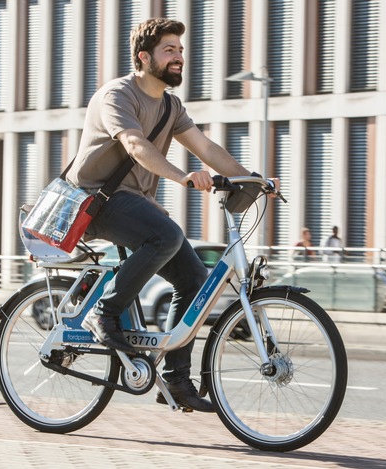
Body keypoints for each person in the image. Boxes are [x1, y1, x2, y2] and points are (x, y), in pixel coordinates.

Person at [67, 18, 259, 412]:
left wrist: (252, 179)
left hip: (133, 203)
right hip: (96, 199)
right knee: (167, 236)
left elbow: (205, 146)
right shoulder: (116, 95)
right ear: (144, 57)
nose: (179, 57)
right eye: (169, 50)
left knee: (194, 279)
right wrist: (182, 177)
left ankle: (174, 380)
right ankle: (105, 313)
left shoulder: (171, 106)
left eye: (180, 50)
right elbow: (136, 145)